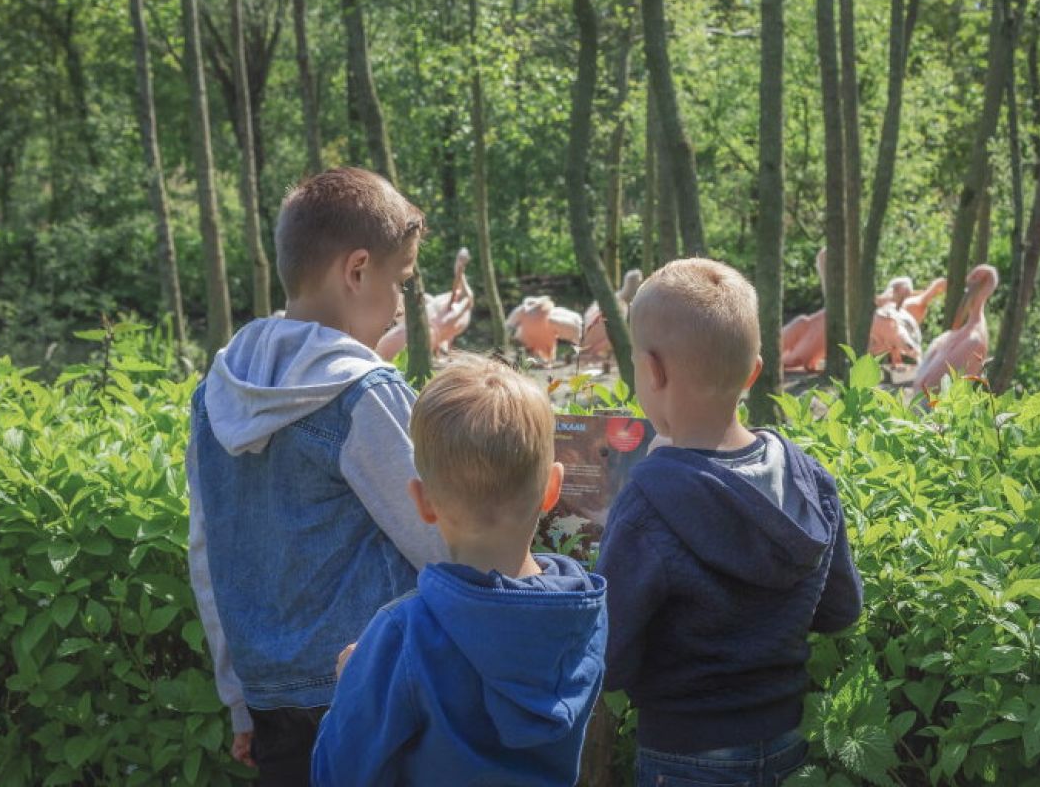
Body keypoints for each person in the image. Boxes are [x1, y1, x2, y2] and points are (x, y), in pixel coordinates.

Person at [187, 167, 450, 785]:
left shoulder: (212, 397)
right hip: (371, 685)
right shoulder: (365, 393)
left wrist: (236, 696)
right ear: (357, 270)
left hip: (268, 696)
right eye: (400, 282)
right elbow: (441, 537)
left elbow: (207, 557)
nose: (396, 308)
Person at [596, 258, 863, 787]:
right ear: (754, 371)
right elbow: (841, 609)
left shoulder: (648, 499)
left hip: (682, 752)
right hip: (789, 741)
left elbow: (611, 658)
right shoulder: (811, 479)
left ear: (651, 371)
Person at [311, 356, 608, 786]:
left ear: (423, 501)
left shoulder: (404, 633)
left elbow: (338, 774)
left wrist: (350, 688)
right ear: (552, 489)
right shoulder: (582, 613)